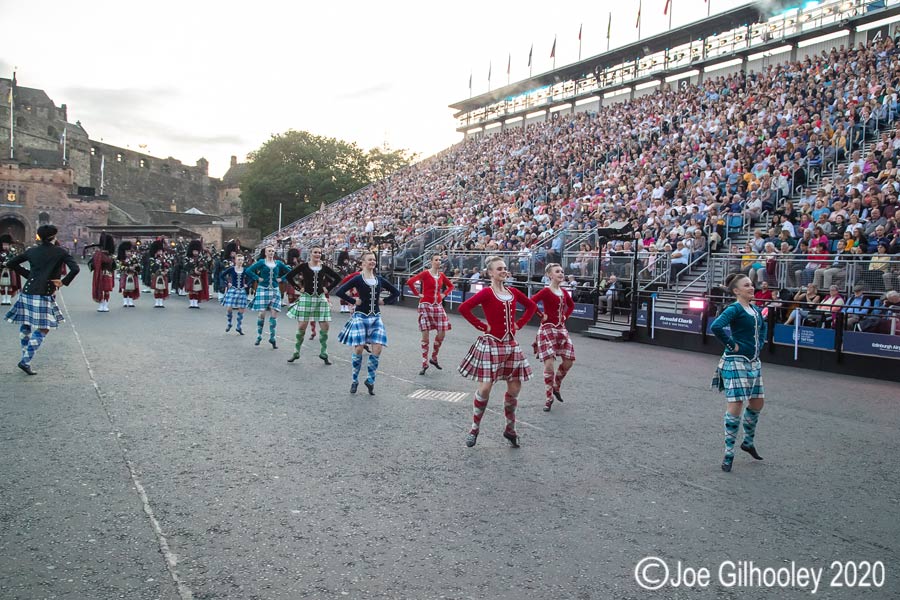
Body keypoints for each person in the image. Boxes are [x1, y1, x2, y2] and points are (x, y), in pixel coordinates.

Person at [458, 255, 537, 448]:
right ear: (490, 272)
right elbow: (464, 308)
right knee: (485, 388)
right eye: (499, 268)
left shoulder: (513, 292)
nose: (503, 271)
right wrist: (481, 326)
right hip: (492, 344)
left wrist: (519, 324)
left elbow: (532, 306)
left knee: (515, 388)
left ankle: (510, 429)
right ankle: (474, 428)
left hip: (511, 345)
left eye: (504, 268)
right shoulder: (486, 293)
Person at [3, 224, 80, 375]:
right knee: (44, 327)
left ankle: (26, 357)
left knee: (26, 324)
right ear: (54, 236)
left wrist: (28, 275)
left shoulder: (32, 251)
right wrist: (63, 282)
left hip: (27, 291)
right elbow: (75, 269)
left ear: (39, 236)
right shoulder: (60, 252)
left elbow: (11, 263)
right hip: (44, 292)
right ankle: (25, 361)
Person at [710, 273, 767, 473]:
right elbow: (716, 326)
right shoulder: (734, 308)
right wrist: (731, 344)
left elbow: (763, 329)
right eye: (747, 285)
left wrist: (760, 345)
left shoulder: (756, 310)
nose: (751, 288)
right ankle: (728, 452)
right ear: (736, 291)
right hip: (736, 361)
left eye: (751, 284)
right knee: (736, 404)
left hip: (753, 361)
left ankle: (748, 442)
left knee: (757, 402)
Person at [333, 251, 401, 394]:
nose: (372, 262)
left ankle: (370, 380)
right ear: (363, 263)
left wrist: (384, 301)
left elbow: (396, 292)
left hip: (375, 316)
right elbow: (340, 291)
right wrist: (353, 301)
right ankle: (354, 379)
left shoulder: (379, 279)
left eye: (374, 260)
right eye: (369, 260)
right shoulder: (358, 279)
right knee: (358, 349)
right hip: (360, 316)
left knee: (378, 349)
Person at [530, 263, 576, 412]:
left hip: (561, 329)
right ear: (550, 275)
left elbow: (571, 306)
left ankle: (557, 385)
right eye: (557, 271)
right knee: (549, 364)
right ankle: (548, 396)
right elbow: (531, 303)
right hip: (547, 329)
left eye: (562, 271)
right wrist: (540, 314)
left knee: (568, 361)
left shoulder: (564, 292)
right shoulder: (545, 291)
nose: (561, 274)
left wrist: (564, 316)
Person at [284, 246, 341, 365]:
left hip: (320, 298)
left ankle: (324, 352)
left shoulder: (324, 267)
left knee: (325, 326)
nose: (318, 254)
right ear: (310, 253)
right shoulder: (304, 266)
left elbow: (337, 278)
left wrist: (328, 289)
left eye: (319, 252)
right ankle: (296, 351)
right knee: (302, 327)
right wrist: (298, 288)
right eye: (315, 252)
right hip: (307, 298)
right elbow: (289, 276)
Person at [406, 254, 455, 375]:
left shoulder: (442, 275)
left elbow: (451, 286)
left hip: (437, 305)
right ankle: (424, 362)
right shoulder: (425, 274)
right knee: (425, 335)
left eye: (440, 260)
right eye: (436, 260)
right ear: (431, 262)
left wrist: (444, 294)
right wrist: (418, 294)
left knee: (442, 332)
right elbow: (410, 282)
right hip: (426, 305)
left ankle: (434, 356)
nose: (439, 262)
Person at [244, 245, 291, 349]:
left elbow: (290, 271)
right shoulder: (261, 262)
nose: (271, 252)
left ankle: (272, 337)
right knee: (262, 314)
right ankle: (259, 335)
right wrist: (257, 278)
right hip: (263, 289)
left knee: (274, 314)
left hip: (274, 289)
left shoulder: (278, 263)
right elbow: (248, 270)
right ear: (265, 253)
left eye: (273, 251)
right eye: (269, 251)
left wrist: (282, 279)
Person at [219, 253, 251, 334]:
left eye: (242, 260)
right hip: (233, 290)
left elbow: (252, 277)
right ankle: (229, 323)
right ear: (235, 260)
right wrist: (227, 283)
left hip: (241, 290)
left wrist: (247, 284)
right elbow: (222, 276)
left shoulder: (245, 270)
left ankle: (239, 326)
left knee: (241, 308)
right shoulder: (232, 269)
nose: (240, 261)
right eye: (239, 260)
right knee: (229, 308)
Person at [89, 233, 116, 312]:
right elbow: (91, 265)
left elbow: (114, 267)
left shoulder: (109, 256)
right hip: (101, 274)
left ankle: (106, 305)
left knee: (106, 290)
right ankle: (101, 304)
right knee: (100, 289)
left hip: (107, 274)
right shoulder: (98, 255)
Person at [185, 240, 211, 309]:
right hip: (191, 276)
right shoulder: (187, 258)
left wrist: (201, 269)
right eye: (194, 251)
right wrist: (193, 271)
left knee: (196, 290)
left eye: (197, 251)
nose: (195, 252)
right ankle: (191, 303)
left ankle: (195, 303)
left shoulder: (201, 258)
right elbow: (185, 267)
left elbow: (206, 266)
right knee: (191, 291)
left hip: (198, 276)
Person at [116, 241, 141, 308]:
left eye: (130, 251)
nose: (129, 253)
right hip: (125, 275)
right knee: (126, 289)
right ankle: (125, 301)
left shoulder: (134, 258)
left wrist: (135, 267)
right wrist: (128, 268)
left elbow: (138, 266)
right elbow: (120, 267)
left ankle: (130, 301)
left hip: (133, 275)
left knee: (131, 288)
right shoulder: (121, 259)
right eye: (127, 251)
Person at [147, 239, 171, 308]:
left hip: (163, 276)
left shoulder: (164, 258)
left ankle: (161, 302)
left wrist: (166, 270)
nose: (160, 252)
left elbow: (168, 264)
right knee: (157, 289)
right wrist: (160, 272)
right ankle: (157, 302)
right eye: (158, 251)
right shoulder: (152, 259)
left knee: (162, 289)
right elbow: (152, 267)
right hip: (156, 275)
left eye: (161, 251)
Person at [0, 234, 22, 305]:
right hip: (1, 270)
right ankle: (3, 299)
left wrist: (9, 263)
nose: (5, 246)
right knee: (2, 285)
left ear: (10, 245)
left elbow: (16, 261)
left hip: (11, 270)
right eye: (4, 244)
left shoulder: (13, 252)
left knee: (10, 285)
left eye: (7, 244)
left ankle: (8, 299)